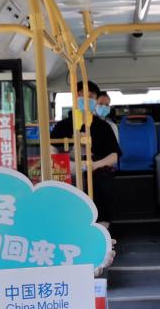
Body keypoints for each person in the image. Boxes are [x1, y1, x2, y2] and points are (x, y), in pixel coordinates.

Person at [50, 80, 121, 228]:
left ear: (95, 100)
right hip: (68, 166)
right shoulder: (62, 126)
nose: (86, 99)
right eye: (82, 95)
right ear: (75, 97)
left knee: (103, 179)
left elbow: (114, 156)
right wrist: (70, 165)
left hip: (96, 167)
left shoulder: (104, 127)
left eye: (91, 96)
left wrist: (94, 165)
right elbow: (51, 151)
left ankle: (102, 225)